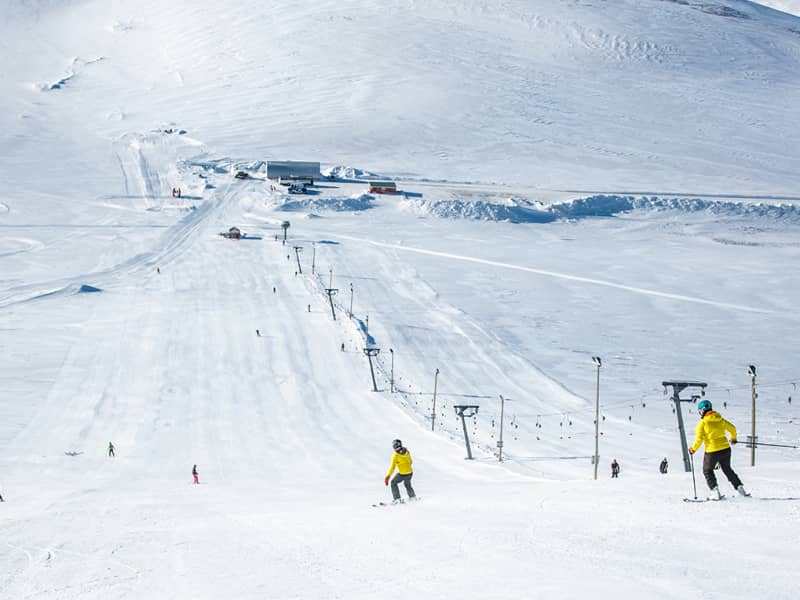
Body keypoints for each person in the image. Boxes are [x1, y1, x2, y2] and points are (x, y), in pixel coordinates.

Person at [689, 400, 748, 499]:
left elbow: (699, 440)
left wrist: (692, 449)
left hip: (712, 451)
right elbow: (732, 428)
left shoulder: (702, 423)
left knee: (707, 470)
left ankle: (715, 492)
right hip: (725, 449)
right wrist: (733, 439)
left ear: (702, 411)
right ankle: (740, 489)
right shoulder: (720, 419)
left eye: (700, 412)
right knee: (727, 469)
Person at [384, 439, 416, 504]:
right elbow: (410, 462)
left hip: (402, 474)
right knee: (407, 485)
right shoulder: (407, 452)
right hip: (410, 473)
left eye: (394, 445)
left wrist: (388, 476)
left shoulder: (396, 455)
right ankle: (412, 497)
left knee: (393, 483)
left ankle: (397, 499)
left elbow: (392, 467)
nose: (393, 447)